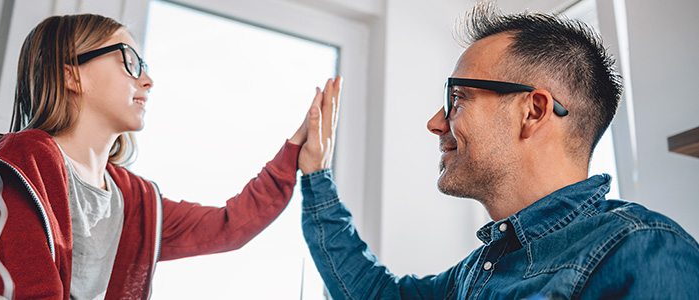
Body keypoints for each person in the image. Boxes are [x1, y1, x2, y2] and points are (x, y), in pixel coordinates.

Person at [298, 3, 699, 299]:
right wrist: (317, 175)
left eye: (457, 98)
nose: (435, 123)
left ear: (533, 111)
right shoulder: (477, 273)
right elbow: (372, 293)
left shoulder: (642, 251)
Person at [0, 13, 342, 299]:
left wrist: (296, 149)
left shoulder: (135, 199)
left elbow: (229, 226)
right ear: (73, 75)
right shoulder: (25, 159)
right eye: (129, 61)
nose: (148, 80)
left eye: (145, 67)